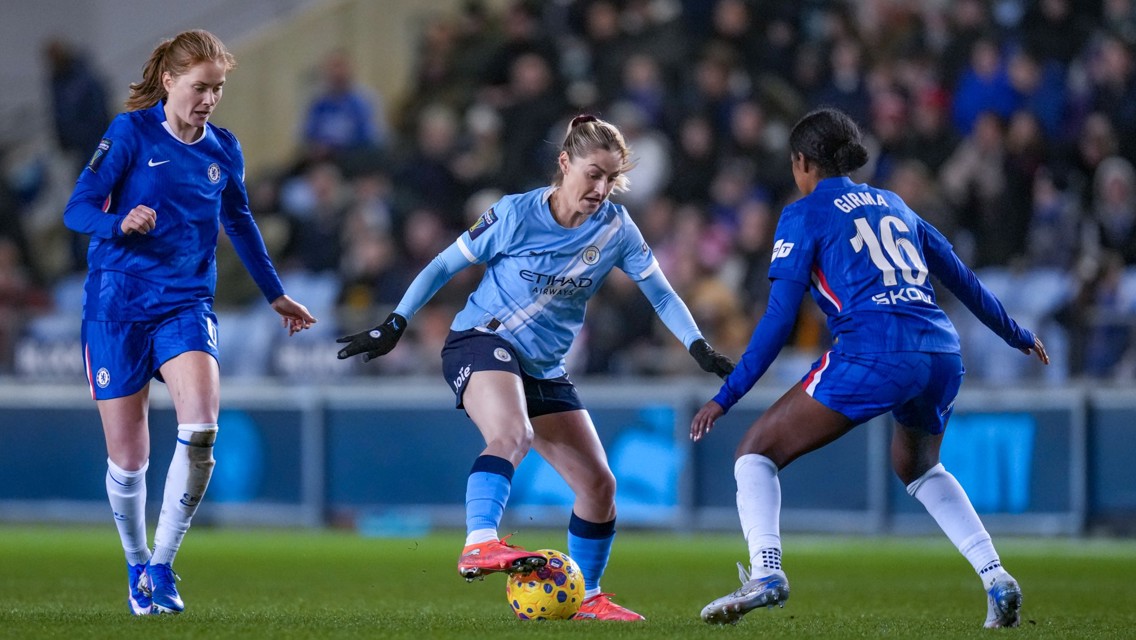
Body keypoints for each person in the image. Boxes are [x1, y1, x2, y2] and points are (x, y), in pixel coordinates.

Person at [337, 114, 735, 621]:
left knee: (599, 486)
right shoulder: (514, 214)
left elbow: (660, 292)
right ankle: (479, 541)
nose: (601, 188)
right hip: (482, 341)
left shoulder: (616, 228)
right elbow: (443, 265)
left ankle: (587, 596)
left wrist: (697, 345)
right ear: (565, 163)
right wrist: (394, 323)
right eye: (593, 174)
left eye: (612, 178)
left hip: (543, 367)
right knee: (512, 433)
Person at [689, 108, 1049, 629]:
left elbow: (777, 321)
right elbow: (962, 278)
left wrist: (727, 395)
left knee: (755, 454)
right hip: (941, 350)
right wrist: (1016, 334)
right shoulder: (894, 203)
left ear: (802, 163)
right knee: (919, 466)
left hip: (875, 351)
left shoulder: (803, 213)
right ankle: (995, 576)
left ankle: (766, 572)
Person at [62, 29, 317, 616]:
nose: (208, 99)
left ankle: (163, 565)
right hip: (117, 307)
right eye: (199, 87)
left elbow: (242, 223)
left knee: (201, 430)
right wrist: (119, 222)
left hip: (184, 304)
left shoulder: (222, 149)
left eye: (218, 89)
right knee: (129, 460)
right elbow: (76, 208)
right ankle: (135, 565)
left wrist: (275, 293)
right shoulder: (129, 133)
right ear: (170, 81)